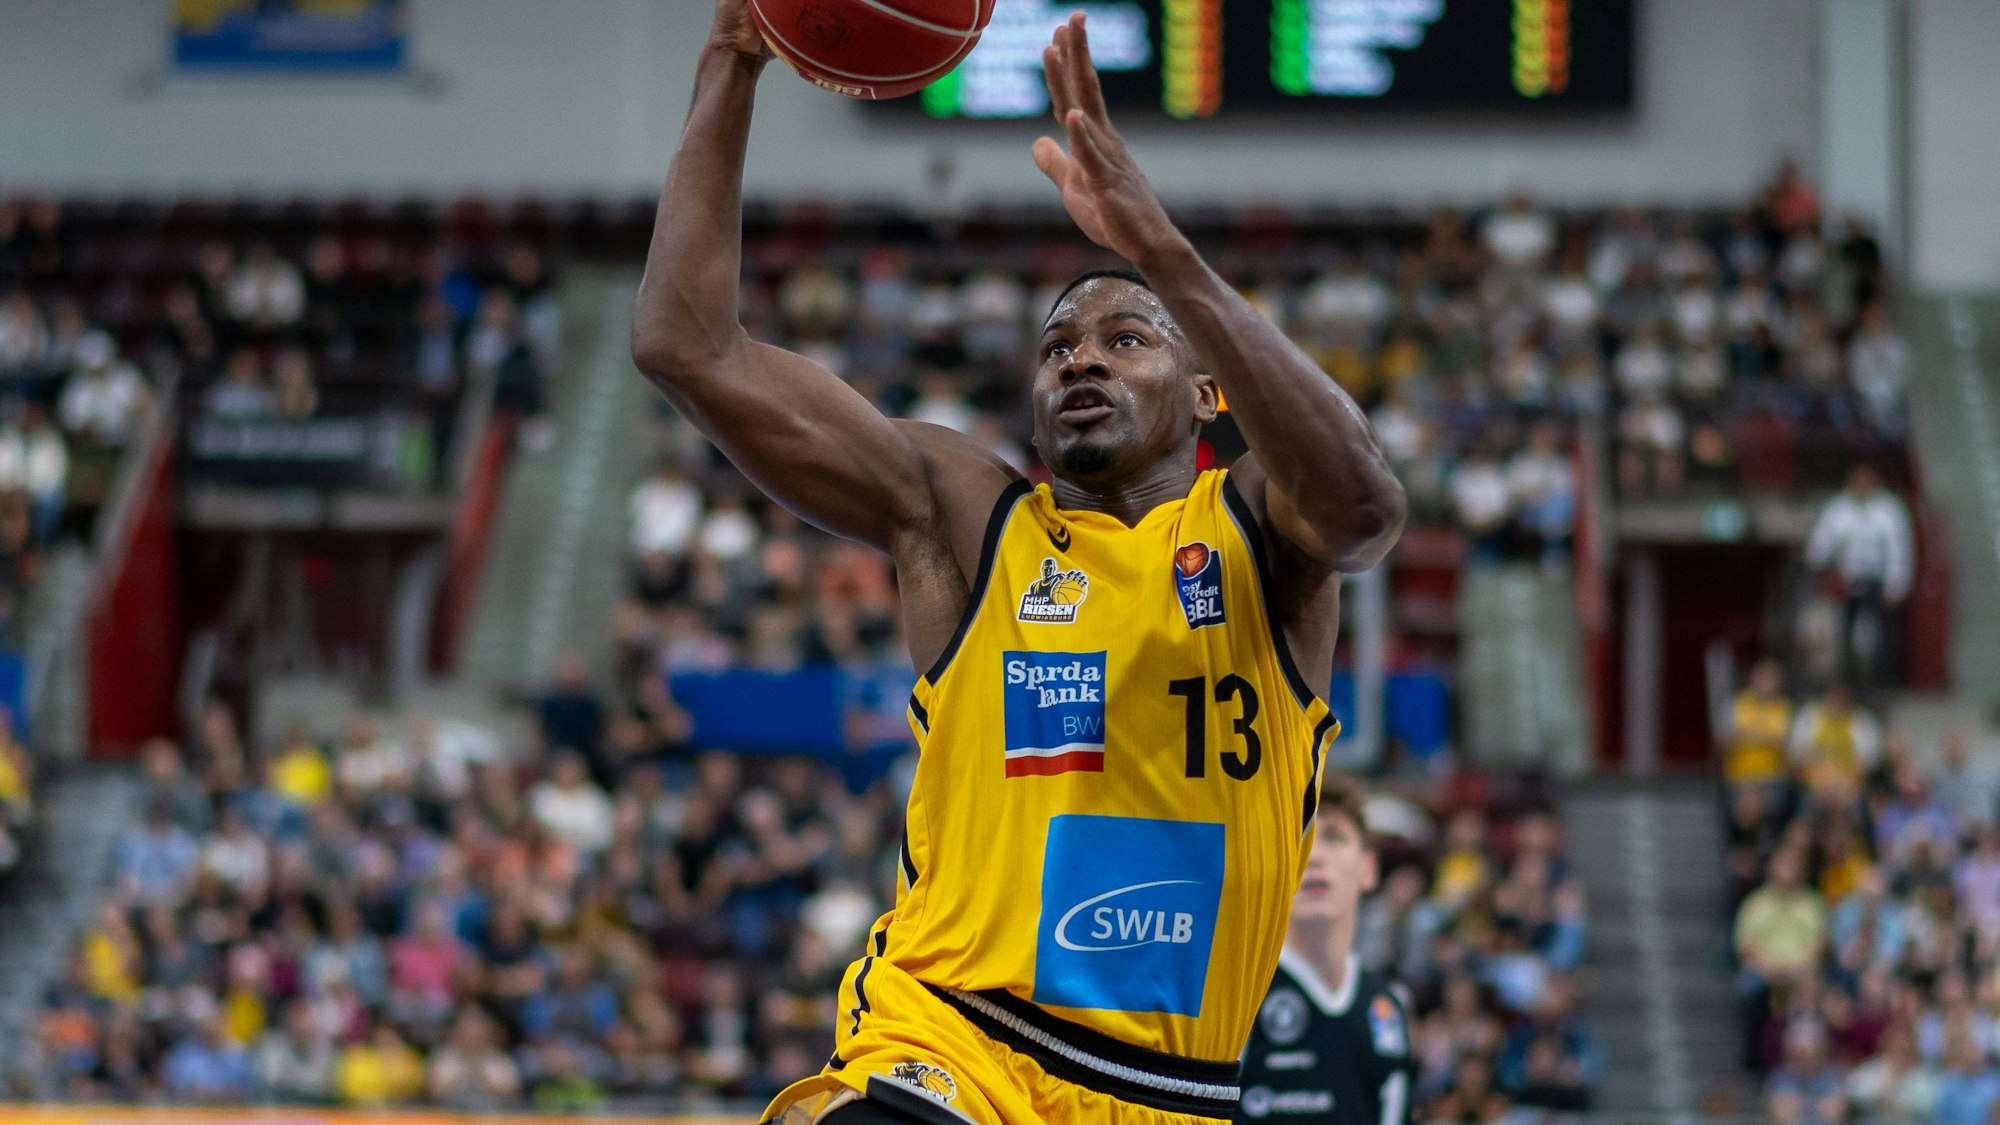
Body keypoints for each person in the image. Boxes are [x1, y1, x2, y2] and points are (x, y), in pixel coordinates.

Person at [633, 6, 1406, 1123]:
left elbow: (1366, 509)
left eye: (1123, 337)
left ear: (1206, 393)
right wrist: (732, 55)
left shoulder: (1253, 525)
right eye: (1055, 347)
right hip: (950, 1042)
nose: (1080, 356)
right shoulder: (964, 515)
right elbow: (685, 346)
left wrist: (1165, 259)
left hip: (1165, 1090)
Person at [1238, 776, 1415, 1125]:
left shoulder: (1387, 1005)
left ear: (1368, 868)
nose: (1314, 856)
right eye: (1298, 839)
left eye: (1334, 837)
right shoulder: (1240, 993)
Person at [1803, 464, 1912, 697]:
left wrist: (1896, 585)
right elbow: (1822, 540)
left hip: (1878, 582)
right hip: (1848, 581)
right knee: (1844, 634)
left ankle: (1884, 686)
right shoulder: (1838, 508)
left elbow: (1899, 550)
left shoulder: (1889, 509)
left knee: (1883, 637)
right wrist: (1815, 562)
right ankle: (1847, 684)